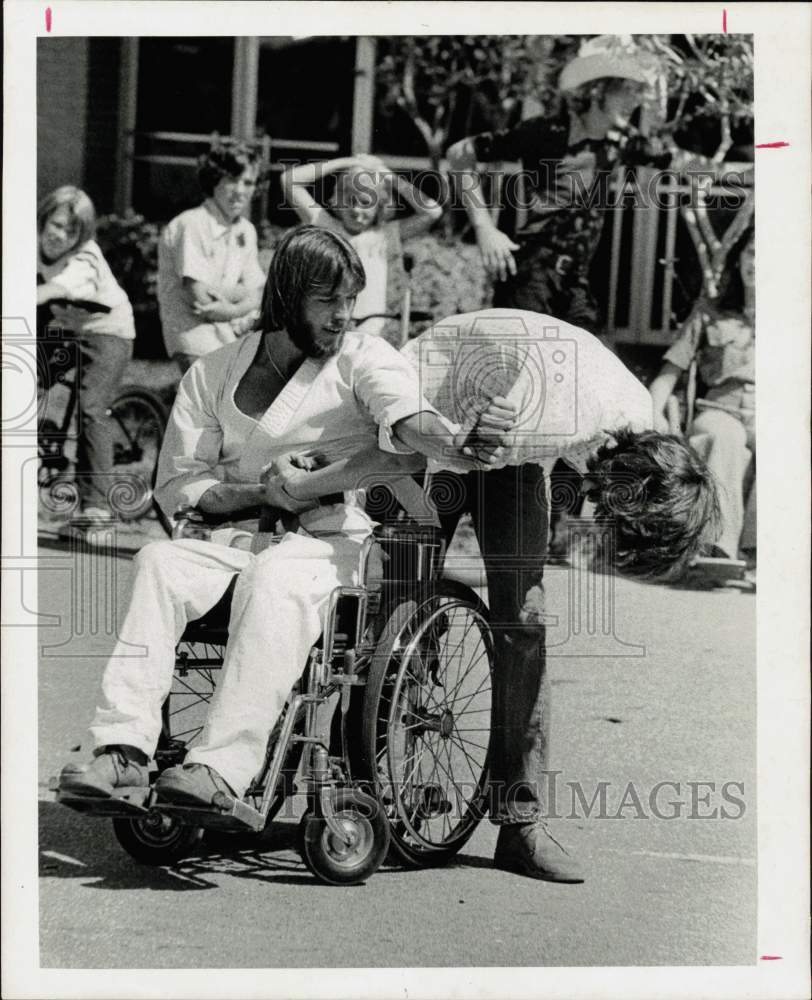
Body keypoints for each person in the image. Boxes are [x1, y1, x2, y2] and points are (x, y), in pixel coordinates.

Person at [58, 226, 506, 822]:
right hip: (237, 541)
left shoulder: (363, 358)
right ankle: (123, 752)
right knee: (158, 561)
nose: (344, 315)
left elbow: (408, 421)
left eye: (351, 299)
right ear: (287, 298)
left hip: (329, 547)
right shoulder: (213, 373)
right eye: (328, 300)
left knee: (274, 577)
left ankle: (219, 769)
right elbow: (178, 484)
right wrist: (258, 491)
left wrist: (454, 438)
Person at [402, 308, 721, 881]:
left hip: (511, 415)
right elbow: (491, 442)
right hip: (432, 391)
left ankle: (519, 824)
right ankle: (371, 781)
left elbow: (516, 445)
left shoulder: (635, 426)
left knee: (523, 620)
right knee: (403, 596)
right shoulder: (563, 418)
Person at [446, 34, 670, 555]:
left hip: (575, 286)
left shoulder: (617, 145)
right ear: (598, 90)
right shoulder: (545, 133)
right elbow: (460, 155)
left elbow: (676, 159)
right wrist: (484, 228)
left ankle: (555, 531)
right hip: (533, 274)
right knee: (513, 394)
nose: (635, 101)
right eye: (627, 91)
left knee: (582, 395)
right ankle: (458, 511)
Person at [649, 228, 755, 565]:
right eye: (752, 252)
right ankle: (716, 551)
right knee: (724, 436)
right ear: (739, 259)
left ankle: (761, 553)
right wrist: (652, 418)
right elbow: (668, 375)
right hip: (720, 409)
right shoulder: (709, 311)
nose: (758, 262)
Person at [37, 185, 136, 526]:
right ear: (44, 218)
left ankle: (96, 507)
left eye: (71, 231)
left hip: (110, 332)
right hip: (68, 325)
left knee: (91, 406)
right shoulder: (30, 242)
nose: (60, 236)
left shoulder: (86, 257)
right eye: (56, 224)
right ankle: (42, 438)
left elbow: (58, 288)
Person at [281, 153, 442, 338]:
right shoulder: (326, 226)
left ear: (379, 207)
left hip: (369, 333)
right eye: (350, 200)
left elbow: (432, 211)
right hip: (327, 331)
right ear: (339, 199)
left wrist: (387, 175)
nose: (357, 210)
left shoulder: (385, 236)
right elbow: (289, 179)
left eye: (366, 203)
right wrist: (348, 162)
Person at [157, 139, 267, 373]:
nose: (240, 191)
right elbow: (200, 297)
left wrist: (234, 308)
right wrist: (241, 297)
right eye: (231, 180)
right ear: (213, 180)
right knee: (209, 402)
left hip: (231, 334)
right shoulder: (192, 224)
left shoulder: (246, 230)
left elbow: (258, 292)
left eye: (248, 182)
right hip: (192, 334)